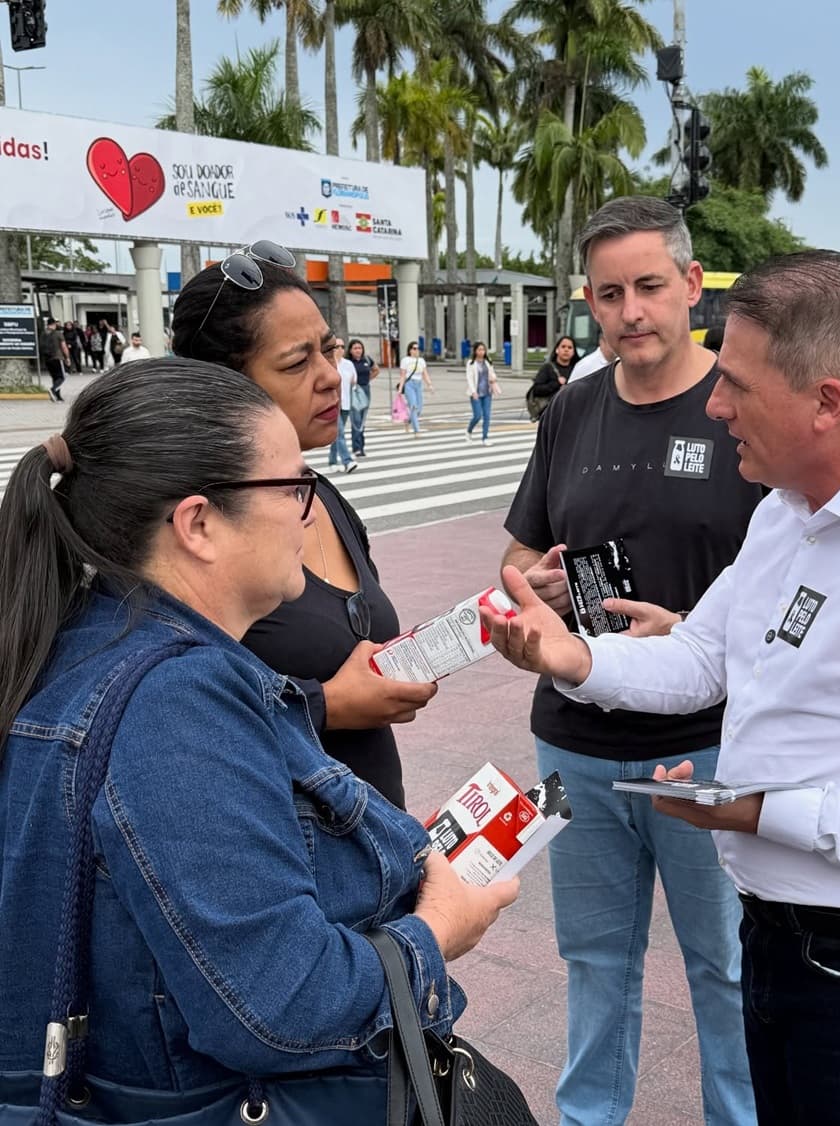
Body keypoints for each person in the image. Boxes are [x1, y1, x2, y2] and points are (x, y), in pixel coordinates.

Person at [484, 249, 840, 1126]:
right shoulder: (789, 511)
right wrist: (572, 659)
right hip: (781, 929)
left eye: (736, 385)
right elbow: (705, 655)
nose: (714, 405)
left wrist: (767, 811)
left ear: (825, 402)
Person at [0, 358, 519, 1121]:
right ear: (199, 523)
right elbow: (283, 1003)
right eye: (293, 488)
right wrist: (438, 930)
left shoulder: (87, 637)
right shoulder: (175, 699)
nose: (313, 513)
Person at [502, 196, 762, 1126]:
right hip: (575, 739)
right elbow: (519, 553)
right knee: (594, 962)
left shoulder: (739, 406)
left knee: (726, 968)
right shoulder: (572, 408)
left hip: (709, 748)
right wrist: (528, 586)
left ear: (693, 285)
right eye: (609, 294)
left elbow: (788, 585)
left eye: (650, 286)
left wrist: (690, 632)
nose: (631, 312)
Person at [172, 245, 436, 807]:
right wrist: (328, 705)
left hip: (374, 853)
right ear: (224, 385)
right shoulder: (193, 529)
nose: (330, 377)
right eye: (296, 363)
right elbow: (171, 714)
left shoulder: (326, 497)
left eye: (330, 350)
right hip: (276, 862)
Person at [526, 336, 579, 421]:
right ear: (557, 350)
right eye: (563, 347)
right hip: (549, 415)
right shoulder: (547, 368)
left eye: (570, 347)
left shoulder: (577, 369)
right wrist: (556, 384)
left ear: (573, 352)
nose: (566, 350)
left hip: (572, 414)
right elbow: (536, 390)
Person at [327, 337, 358, 474]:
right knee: (339, 433)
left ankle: (332, 461)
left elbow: (353, 381)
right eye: (337, 346)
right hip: (332, 403)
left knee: (336, 434)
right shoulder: (327, 363)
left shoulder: (348, 364)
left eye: (342, 346)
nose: (340, 349)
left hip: (346, 403)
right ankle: (347, 461)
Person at [465, 341, 501, 445]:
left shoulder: (488, 361)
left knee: (487, 416)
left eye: (483, 350)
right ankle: (469, 431)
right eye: (479, 350)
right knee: (477, 415)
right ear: (475, 351)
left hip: (487, 392)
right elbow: (470, 378)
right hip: (476, 393)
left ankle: (485, 437)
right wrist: (473, 391)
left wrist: (493, 377)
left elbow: (492, 373)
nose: (482, 352)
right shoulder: (471, 363)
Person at [347, 338, 379, 456]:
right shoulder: (348, 362)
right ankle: (357, 448)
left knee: (362, 419)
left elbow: (376, 370)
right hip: (353, 391)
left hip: (365, 390)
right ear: (350, 350)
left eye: (360, 348)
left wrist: (367, 379)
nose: (358, 350)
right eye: (355, 348)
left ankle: (361, 446)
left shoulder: (367, 359)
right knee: (356, 420)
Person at [397, 340, 432, 436]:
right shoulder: (405, 360)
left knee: (419, 408)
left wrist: (429, 384)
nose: (416, 350)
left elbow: (425, 374)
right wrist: (400, 388)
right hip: (409, 384)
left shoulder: (421, 361)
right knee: (413, 406)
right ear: (410, 350)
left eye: (418, 349)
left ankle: (408, 421)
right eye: (414, 348)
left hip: (418, 384)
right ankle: (417, 430)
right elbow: (403, 375)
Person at [40, 317, 68, 402]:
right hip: (57, 357)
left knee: (55, 378)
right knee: (62, 377)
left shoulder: (43, 334)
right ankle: (53, 389)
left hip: (47, 359)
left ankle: (57, 396)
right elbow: (64, 347)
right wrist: (67, 357)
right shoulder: (58, 333)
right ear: (54, 324)